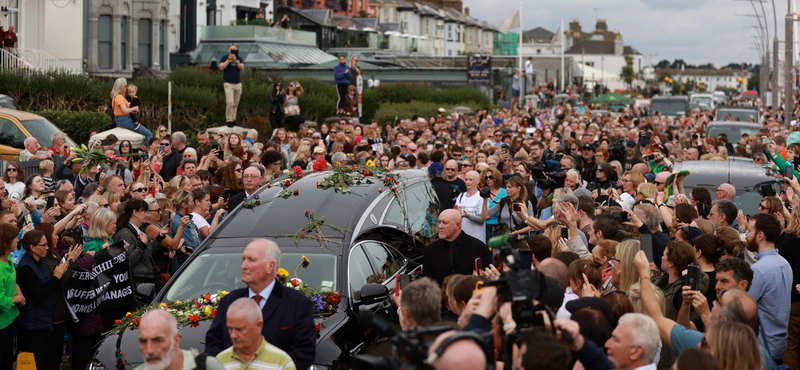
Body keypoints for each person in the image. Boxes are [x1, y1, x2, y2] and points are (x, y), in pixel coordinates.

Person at [205, 239, 315, 370]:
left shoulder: (297, 303)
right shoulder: (229, 302)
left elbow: (304, 352)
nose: (243, 266)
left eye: (251, 260)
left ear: (270, 266)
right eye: (243, 259)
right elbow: (214, 344)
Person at [16, 230, 70, 369]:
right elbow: (39, 295)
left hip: (43, 319)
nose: (47, 247)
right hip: (33, 324)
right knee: (36, 362)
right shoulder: (26, 267)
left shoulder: (39, 261)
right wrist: (56, 277)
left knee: (46, 359)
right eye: (43, 245)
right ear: (33, 247)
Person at [746, 213, 792, 361]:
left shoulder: (759, 269)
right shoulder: (784, 263)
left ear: (760, 235)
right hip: (778, 343)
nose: (746, 235)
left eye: (749, 231)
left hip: (763, 346)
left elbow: (744, 306)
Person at [216, 298, 296, 370]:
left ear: (259, 326)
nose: (233, 335)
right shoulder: (219, 362)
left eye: (239, 329)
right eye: (230, 329)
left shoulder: (281, 363)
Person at [135, 309, 225, 370]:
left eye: (158, 340)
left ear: (176, 340)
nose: (149, 350)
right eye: (143, 341)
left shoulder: (207, 366)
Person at [422, 209, 491, 287]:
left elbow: (486, 279)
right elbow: (426, 282)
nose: (440, 226)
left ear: (457, 225)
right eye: (439, 222)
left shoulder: (478, 247)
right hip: (439, 297)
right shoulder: (431, 250)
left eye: (445, 223)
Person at [0, 224, 23, 368]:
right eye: (14, 237)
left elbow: (13, 282)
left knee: (8, 360)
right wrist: (18, 299)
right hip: (1, 324)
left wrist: (18, 290)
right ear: (5, 241)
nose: (17, 240)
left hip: (9, 321)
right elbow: (1, 302)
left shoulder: (8, 259)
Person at [110, 78, 152, 144]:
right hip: (125, 120)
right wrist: (135, 108)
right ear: (120, 87)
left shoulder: (116, 97)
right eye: (125, 86)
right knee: (149, 134)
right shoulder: (119, 97)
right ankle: (147, 153)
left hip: (120, 120)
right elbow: (125, 110)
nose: (127, 88)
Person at [454, 171, 485, 244]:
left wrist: (467, 215)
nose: (468, 182)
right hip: (462, 238)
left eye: (471, 180)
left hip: (477, 238)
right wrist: (456, 213)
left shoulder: (481, 198)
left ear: (478, 181)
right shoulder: (461, 196)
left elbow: (481, 220)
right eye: (466, 179)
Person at [220, 44, 244, 127]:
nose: (232, 51)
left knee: (235, 103)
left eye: (234, 49)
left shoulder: (239, 58)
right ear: (228, 50)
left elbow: (241, 67)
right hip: (228, 83)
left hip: (237, 83)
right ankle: (229, 119)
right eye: (231, 49)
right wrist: (228, 59)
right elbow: (221, 67)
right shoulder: (224, 57)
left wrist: (236, 61)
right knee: (230, 102)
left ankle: (233, 119)